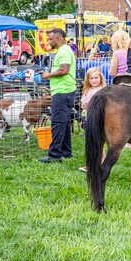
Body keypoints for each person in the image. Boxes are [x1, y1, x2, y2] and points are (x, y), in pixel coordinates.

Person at [38, 28, 76, 163]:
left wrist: (49, 75)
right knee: (64, 122)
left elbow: (64, 70)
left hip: (63, 91)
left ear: (59, 38)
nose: (49, 41)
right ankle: (66, 152)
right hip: (64, 90)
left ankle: (54, 155)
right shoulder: (64, 50)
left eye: (51, 39)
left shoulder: (64, 51)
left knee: (58, 122)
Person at [77, 67, 106, 172]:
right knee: (91, 142)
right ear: (87, 80)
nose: (94, 80)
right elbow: (83, 104)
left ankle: (100, 162)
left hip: (99, 119)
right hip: (89, 119)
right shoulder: (87, 90)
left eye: (96, 78)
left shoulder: (103, 90)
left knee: (98, 142)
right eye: (91, 78)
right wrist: (84, 105)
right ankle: (92, 163)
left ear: (101, 78)